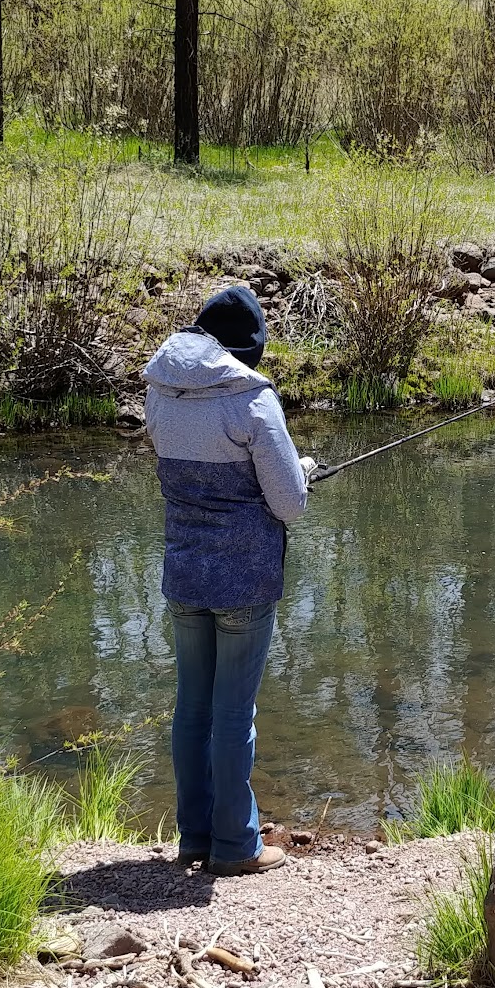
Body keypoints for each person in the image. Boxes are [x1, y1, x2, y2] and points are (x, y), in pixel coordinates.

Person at [143, 285, 315, 876]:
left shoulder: (159, 390)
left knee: (192, 707)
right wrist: (304, 472)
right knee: (234, 713)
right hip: (244, 580)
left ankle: (195, 836)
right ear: (248, 349)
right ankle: (238, 845)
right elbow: (288, 504)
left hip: (185, 573)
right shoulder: (253, 401)